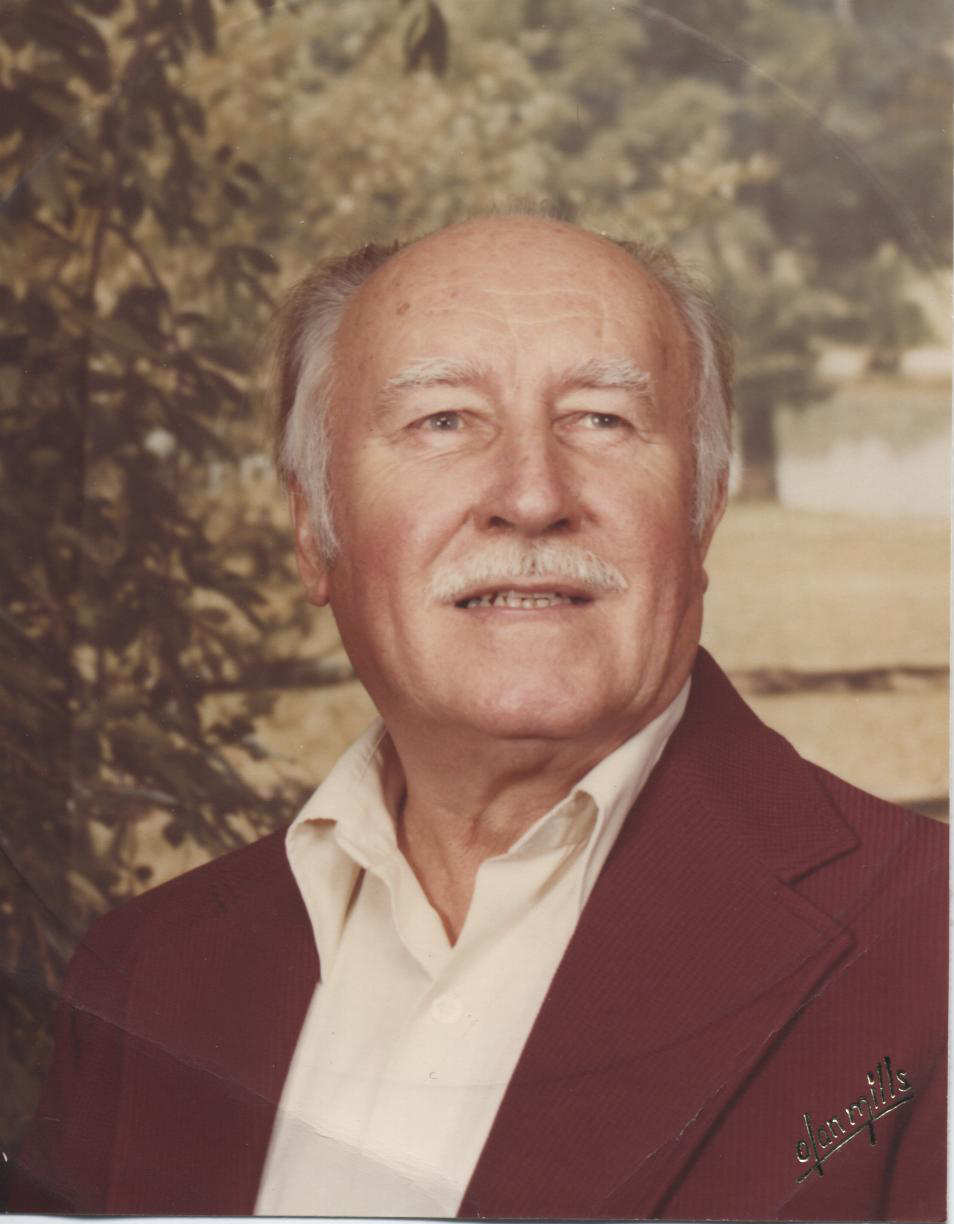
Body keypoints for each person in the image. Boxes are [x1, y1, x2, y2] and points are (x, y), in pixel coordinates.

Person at [9, 215, 947, 1220]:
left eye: (601, 419)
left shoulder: (930, 952)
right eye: (443, 421)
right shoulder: (146, 976)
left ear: (704, 509)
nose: (532, 496)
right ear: (314, 527)